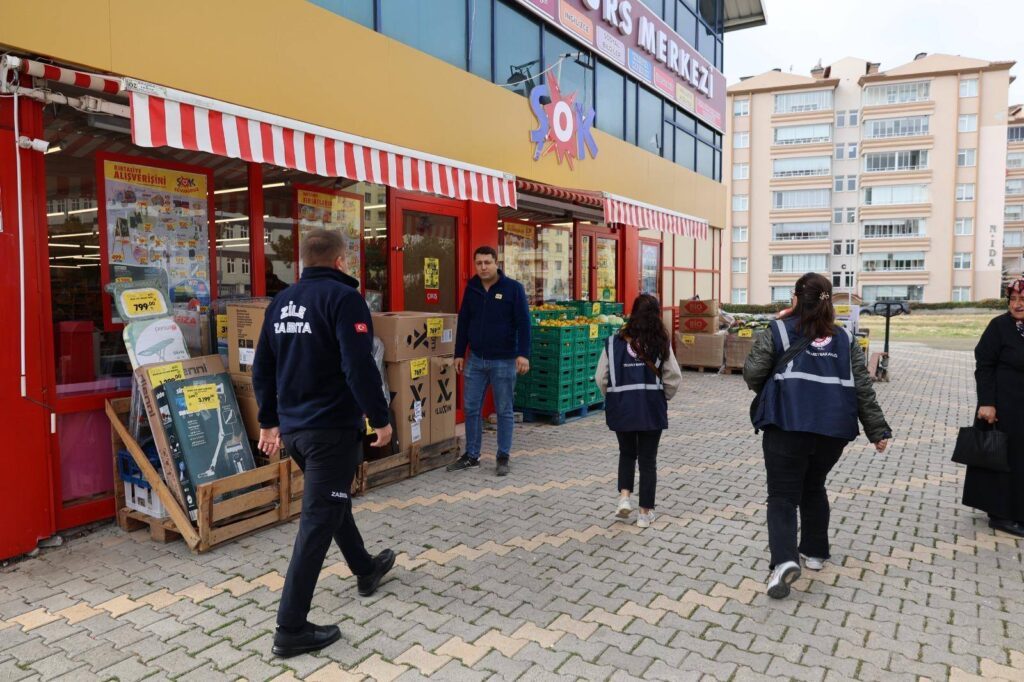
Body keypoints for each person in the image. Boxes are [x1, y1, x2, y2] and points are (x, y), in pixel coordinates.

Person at [252, 229, 396, 658]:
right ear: (340, 262)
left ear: (303, 261)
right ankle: (290, 627)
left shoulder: (280, 303)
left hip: (297, 433)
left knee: (333, 504)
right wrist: (381, 419)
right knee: (317, 521)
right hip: (330, 432)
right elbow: (359, 366)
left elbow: (263, 368)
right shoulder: (344, 299)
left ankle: (366, 569)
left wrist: (269, 422)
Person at [743, 273, 891, 599]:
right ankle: (815, 552)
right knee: (813, 485)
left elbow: (753, 371)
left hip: (788, 424)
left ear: (796, 299)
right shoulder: (844, 338)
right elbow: (862, 387)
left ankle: (783, 562)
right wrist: (877, 429)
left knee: (783, 496)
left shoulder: (779, 329)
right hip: (833, 431)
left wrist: (772, 386)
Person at [595, 294, 681, 528]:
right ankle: (644, 514)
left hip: (622, 408)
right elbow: (673, 377)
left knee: (626, 453)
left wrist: (615, 396)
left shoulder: (614, 342)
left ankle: (624, 497)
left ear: (633, 313)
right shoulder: (660, 343)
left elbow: (600, 377)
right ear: (656, 315)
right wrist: (663, 397)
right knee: (647, 460)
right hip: (650, 409)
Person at [447, 246, 531, 477]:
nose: (483, 267)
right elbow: (463, 323)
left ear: (496, 263)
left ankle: (503, 456)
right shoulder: (472, 288)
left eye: (487, 262)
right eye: (479, 263)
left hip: (504, 360)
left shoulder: (513, 289)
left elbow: (524, 324)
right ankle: (471, 455)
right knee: (472, 408)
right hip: (475, 359)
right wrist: (458, 354)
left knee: (504, 410)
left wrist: (523, 354)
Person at [963, 277, 1024, 537]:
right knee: (1005, 457)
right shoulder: (999, 326)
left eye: (1021, 299)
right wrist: (987, 402)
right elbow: (984, 365)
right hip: (1003, 405)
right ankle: (1000, 514)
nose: (1017, 304)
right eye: (1013, 299)